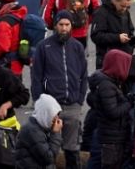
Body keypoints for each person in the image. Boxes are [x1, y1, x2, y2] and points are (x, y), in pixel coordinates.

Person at [31, 15, 87, 169]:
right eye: (61, 24)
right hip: (51, 106)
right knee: (49, 149)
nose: (64, 28)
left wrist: (80, 99)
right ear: (55, 26)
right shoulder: (44, 46)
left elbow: (83, 75)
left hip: (73, 106)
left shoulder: (77, 47)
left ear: (71, 26)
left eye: (67, 24)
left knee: (72, 149)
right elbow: (36, 76)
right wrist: (39, 101)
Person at [18, 93, 64, 169]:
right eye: (53, 115)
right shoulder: (32, 131)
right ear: (45, 113)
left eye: (57, 114)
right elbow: (48, 158)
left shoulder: (42, 127)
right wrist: (55, 133)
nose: (57, 119)